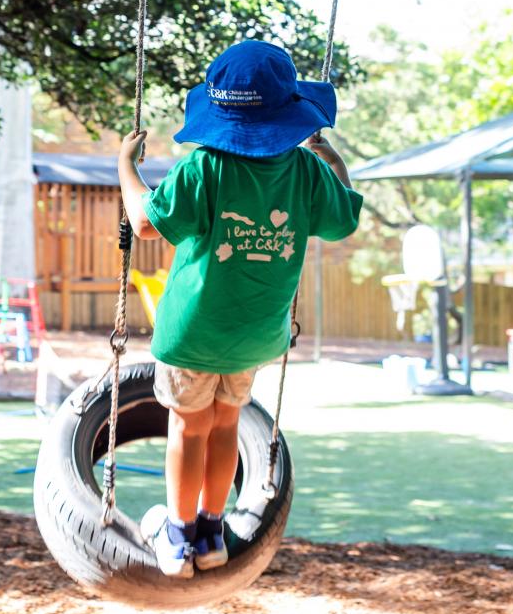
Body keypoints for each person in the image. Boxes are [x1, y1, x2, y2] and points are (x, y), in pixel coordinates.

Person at [118, 40, 363, 578]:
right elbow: (344, 222)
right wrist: (335, 158)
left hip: (193, 334)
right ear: (288, 112)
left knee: (188, 428)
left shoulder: (204, 166)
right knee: (226, 424)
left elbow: (142, 223)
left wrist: (125, 166)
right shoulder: (306, 171)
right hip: (256, 334)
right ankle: (211, 534)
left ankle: (178, 539)